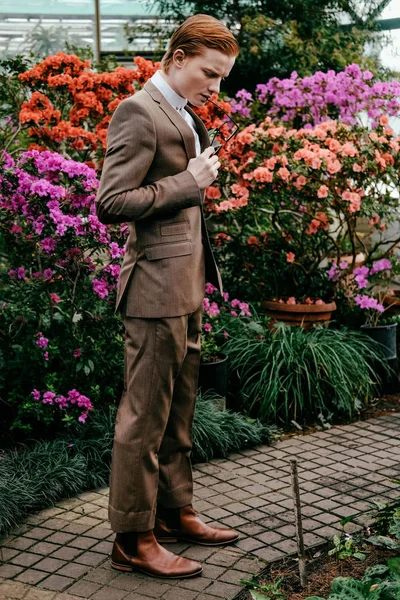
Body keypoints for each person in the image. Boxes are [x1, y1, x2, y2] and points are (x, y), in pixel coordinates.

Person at [96, 14, 239, 579]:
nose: (215, 87)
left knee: (178, 413)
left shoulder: (179, 111)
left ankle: (176, 512)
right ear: (178, 56)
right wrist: (191, 182)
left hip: (185, 286)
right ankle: (133, 538)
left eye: (223, 77)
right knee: (144, 419)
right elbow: (111, 202)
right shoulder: (137, 111)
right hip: (154, 292)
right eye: (210, 73)